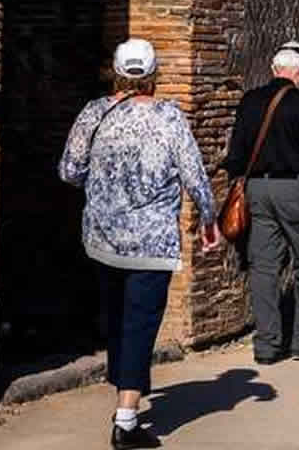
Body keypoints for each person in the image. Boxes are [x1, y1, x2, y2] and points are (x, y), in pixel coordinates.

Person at [59, 39, 219, 450]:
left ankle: (123, 391)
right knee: (140, 321)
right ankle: (126, 419)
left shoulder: (94, 112)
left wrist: (106, 182)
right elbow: (194, 174)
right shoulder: (169, 117)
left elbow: (69, 171)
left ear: (115, 71)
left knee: (116, 318)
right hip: (151, 241)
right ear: (153, 75)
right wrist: (208, 217)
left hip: (102, 237)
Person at [222, 41, 299, 364]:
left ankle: (268, 344)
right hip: (295, 187)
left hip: (256, 188)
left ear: (274, 70)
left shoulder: (250, 101)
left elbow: (237, 152)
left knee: (264, 266)